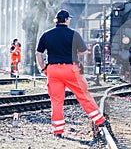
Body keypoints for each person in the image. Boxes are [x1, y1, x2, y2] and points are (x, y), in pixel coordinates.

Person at [35, 9, 108, 137]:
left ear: (56, 20)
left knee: (56, 101)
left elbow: (38, 53)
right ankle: (99, 120)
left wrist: (43, 68)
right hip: (70, 69)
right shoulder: (74, 34)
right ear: (67, 20)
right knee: (83, 95)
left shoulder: (46, 34)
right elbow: (84, 51)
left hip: (53, 70)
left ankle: (58, 130)